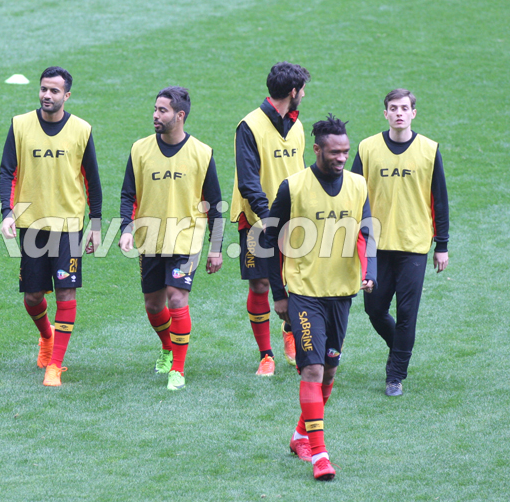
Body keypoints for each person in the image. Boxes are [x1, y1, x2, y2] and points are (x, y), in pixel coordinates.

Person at [266, 115, 376, 480]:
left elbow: (367, 233)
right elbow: (268, 240)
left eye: (345, 151)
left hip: (341, 294)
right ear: (317, 149)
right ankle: (320, 456)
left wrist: (369, 271)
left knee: (329, 371)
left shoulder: (359, 185)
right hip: (304, 294)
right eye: (333, 152)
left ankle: (301, 436)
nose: (341, 157)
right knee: (311, 368)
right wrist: (279, 295)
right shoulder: (293, 187)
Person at [0, 66, 102, 387]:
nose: (47, 95)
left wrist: (96, 224)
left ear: (66, 95)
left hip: (69, 225)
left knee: (66, 291)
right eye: (44, 89)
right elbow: (7, 171)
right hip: (31, 223)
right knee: (32, 297)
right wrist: (7, 212)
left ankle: (55, 365)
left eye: (54, 91)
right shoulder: (20, 125)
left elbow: (93, 182)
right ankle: (47, 336)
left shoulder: (82, 130)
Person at [119, 86, 224, 391]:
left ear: (179, 116)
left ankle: (177, 369)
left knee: (177, 298)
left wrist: (215, 249)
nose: (155, 115)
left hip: (186, 241)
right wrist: (126, 227)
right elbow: (128, 194)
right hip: (150, 239)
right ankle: (168, 346)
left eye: (162, 110)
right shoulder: (139, 149)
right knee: (153, 305)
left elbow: (215, 204)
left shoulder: (202, 153)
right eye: (155, 109)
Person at [351, 89, 449, 397]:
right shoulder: (367, 148)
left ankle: (395, 375)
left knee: (407, 313)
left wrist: (442, 244)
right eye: (393, 108)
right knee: (375, 309)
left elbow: (440, 200)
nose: (399, 113)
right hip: (376, 246)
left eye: (404, 108)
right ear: (385, 113)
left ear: (413, 113)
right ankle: (402, 348)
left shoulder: (429, 150)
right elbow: (351, 195)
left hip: (414, 245)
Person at [231, 62, 310, 376]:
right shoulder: (248, 126)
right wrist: (268, 219)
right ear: (292, 92)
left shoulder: (298, 126)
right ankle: (266, 355)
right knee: (261, 284)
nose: (303, 95)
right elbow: (248, 181)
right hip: (256, 220)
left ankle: (290, 332)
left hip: (295, 219)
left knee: (294, 281)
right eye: (302, 90)